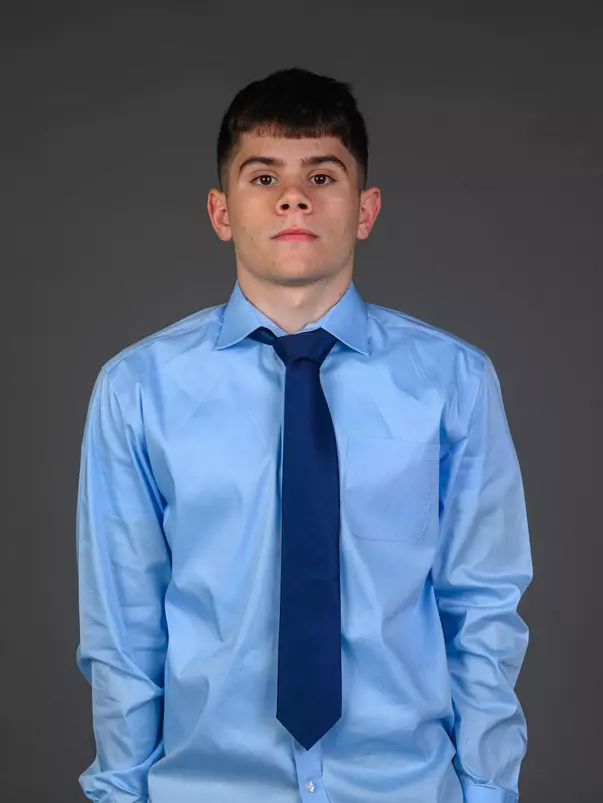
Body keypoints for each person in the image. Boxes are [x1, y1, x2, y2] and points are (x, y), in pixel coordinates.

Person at [75, 67, 532, 803]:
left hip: (405, 788)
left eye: (322, 175)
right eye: (264, 177)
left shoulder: (454, 383)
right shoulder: (137, 392)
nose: (294, 197)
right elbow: (123, 635)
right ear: (221, 211)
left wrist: (487, 792)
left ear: (365, 209)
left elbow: (482, 612)